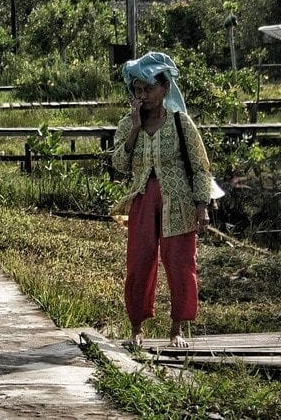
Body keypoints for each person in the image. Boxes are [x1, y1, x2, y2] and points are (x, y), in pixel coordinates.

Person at [111, 51, 212, 349]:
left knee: (180, 264)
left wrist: (202, 206)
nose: (143, 96)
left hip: (177, 202)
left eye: (149, 89)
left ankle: (176, 329)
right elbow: (119, 165)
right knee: (140, 262)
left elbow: (199, 167)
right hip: (143, 201)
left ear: (165, 88)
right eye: (138, 90)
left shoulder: (182, 124)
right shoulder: (128, 124)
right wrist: (134, 129)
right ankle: (137, 327)